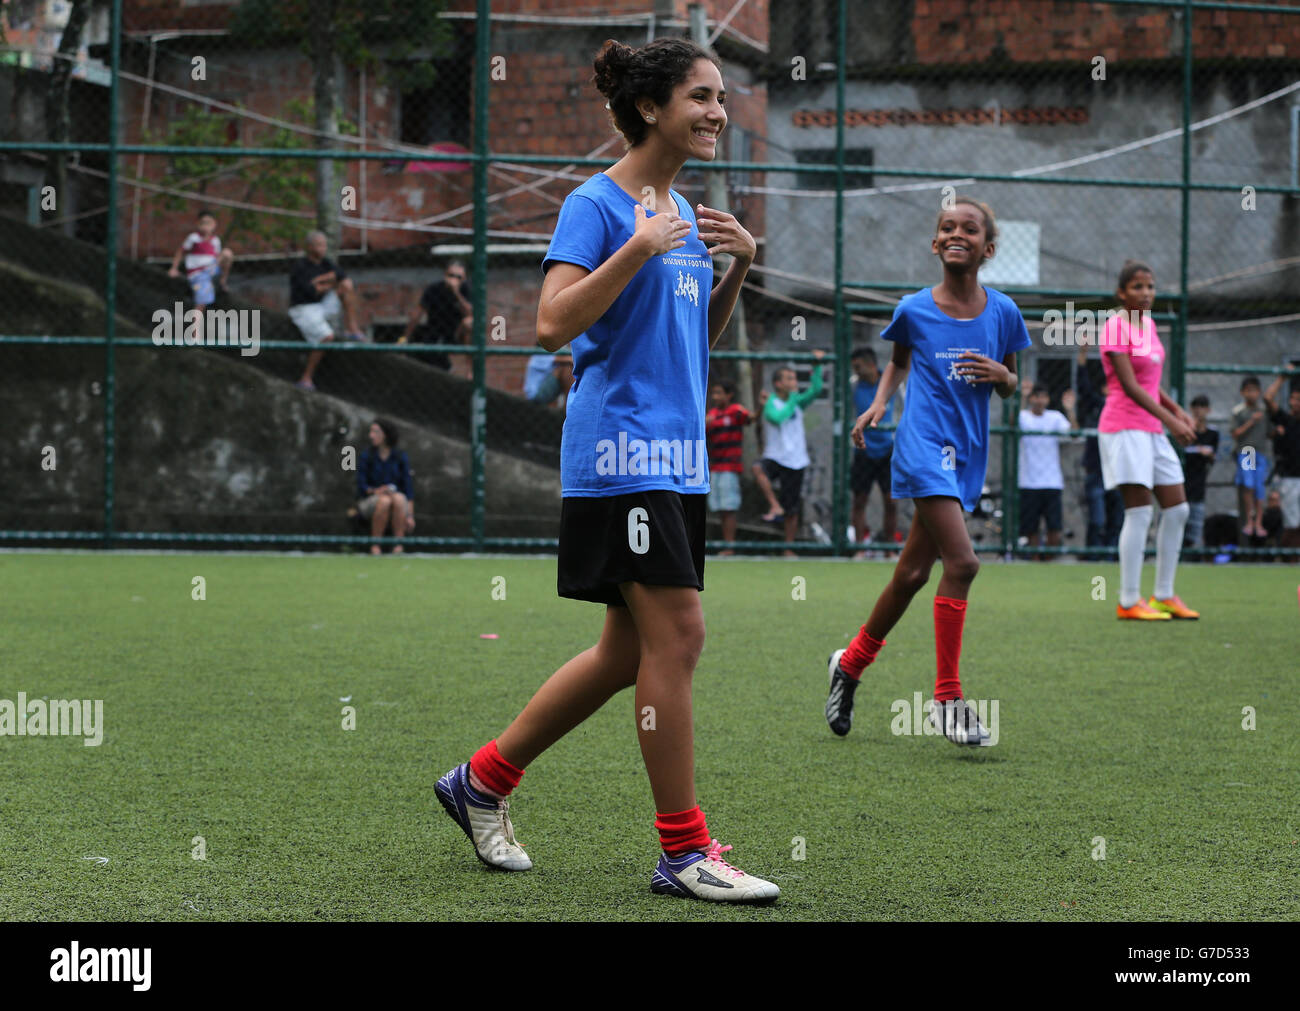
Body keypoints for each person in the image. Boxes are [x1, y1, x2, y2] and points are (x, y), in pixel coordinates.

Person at [435, 37, 778, 903]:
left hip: (676, 455)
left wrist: (736, 265)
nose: (716, 113)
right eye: (700, 97)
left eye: (721, 99)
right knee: (682, 635)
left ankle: (481, 779)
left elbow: (687, 345)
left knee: (628, 652)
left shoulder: (682, 210)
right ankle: (682, 850)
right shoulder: (598, 204)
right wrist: (639, 247)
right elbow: (551, 325)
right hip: (623, 453)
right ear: (652, 108)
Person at [823, 196, 1030, 745]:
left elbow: (1015, 382)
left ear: (988, 249)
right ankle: (947, 699)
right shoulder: (913, 308)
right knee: (963, 563)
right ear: (936, 243)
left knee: (912, 575)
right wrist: (880, 404)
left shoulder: (1004, 312)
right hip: (921, 447)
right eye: (946, 226)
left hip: (967, 454)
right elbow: (899, 359)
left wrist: (999, 376)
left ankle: (849, 665)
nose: (955, 233)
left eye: (969, 228)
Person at [1093, 260, 1198, 620]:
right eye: (1137, 287)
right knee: (1139, 513)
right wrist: (1170, 419)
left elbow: (1152, 383)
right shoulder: (1114, 327)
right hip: (1123, 427)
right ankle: (1127, 601)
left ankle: (1164, 595)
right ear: (1122, 293)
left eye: (1150, 287)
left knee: (1178, 509)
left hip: (1151, 428)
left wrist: (1176, 409)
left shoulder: (1149, 326)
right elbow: (1129, 386)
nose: (1146, 293)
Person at [752, 352, 825, 556]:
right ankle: (774, 506)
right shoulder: (771, 403)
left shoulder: (797, 402)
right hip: (775, 456)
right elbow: (778, 418)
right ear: (778, 384)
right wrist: (794, 398)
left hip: (796, 459)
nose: (794, 382)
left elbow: (816, 389)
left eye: (794, 378)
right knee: (758, 468)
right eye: (789, 379)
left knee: (792, 507)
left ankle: (788, 547)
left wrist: (816, 367)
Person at [289, 230, 367, 391]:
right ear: (309, 247)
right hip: (304, 308)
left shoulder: (326, 263)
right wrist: (329, 280)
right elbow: (311, 291)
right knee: (326, 336)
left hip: (322, 304)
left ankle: (352, 329)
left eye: (324, 245)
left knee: (346, 286)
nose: (323, 249)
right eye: (319, 245)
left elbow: (342, 277)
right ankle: (306, 378)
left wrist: (321, 281)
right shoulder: (300, 267)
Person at [849, 347, 899, 557]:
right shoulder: (853, 386)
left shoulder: (893, 384)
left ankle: (889, 550)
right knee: (860, 500)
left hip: (888, 449)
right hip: (863, 450)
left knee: (891, 501)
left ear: (871, 365)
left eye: (858, 367)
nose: (856, 371)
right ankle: (860, 548)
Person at [1075, 346, 1123, 559]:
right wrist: (1082, 357)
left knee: (1118, 517)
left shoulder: (1124, 410)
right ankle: (1093, 556)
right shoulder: (1098, 406)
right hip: (1096, 470)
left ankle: (1112, 556)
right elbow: (1083, 388)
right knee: (1098, 518)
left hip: (1119, 471)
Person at [1017, 382, 1074, 559]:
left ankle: (1049, 560)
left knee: (1054, 529)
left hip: (1052, 482)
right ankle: (1034, 561)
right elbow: (1012, 422)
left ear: (1048, 399)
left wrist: (1070, 410)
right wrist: (1022, 397)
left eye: (1043, 397)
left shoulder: (1055, 417)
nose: (1039, 400)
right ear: (1031, 398)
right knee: (1031, 529)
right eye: (1035, 396)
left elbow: (1073, 432)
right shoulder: (1023, 416)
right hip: (1028, 481)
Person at [705, 378, 755, 554]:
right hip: (715, 467)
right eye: (714, 393)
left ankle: (730, 545)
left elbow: (751, 418)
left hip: (730, 467)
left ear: (729, 395)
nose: (715, 396)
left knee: (729, 507)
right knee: (719, 508)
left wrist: (761, 407)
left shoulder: (735, 411)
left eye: (719, 393)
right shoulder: (711, 415)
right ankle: (726, 544)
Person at [399, 259, 473, 371]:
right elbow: (417, 314)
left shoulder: (466, 289)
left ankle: (470, 370)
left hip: (457, 333)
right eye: (451, 275)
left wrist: (456, 293)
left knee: (469, 322)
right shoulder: (434, 289)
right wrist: (404, 338)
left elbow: (470, 313)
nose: (454, 279)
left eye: (458, 277)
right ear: (445, 275)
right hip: (435, 331)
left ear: (464, 278)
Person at [355, 419, 414, 555]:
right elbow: (361, 487)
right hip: (371, 501)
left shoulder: (400, 456)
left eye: (375, 432)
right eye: (371, 432)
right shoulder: (366, 456)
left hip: (396, 499)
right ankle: (376, 546)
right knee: (384, 501)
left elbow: (408, 488)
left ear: (386, 434)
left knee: (398, 499)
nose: (371, 435)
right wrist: (378, 491)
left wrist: (410, 515)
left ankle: (398, 545)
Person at [167, 208, 234, 307]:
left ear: (214, 224)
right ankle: (197, 318)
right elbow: (180, 252)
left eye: (209, 223)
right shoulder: (193, 238)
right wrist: (174, 268)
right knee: (201, 301)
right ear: (198, 224)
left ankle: (222, 281)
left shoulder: (215, 240)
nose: (206, 226)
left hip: (211, 267)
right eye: (203, 223)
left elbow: (218, 257)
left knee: (227, 253)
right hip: (198, 271)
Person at [1230, 376, 1270, 539]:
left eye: (1254, 390)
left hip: (1261, 452)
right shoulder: (1239, 412)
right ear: (1242, 392)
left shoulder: (1264, 411)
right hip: (1247, 451)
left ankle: (1258, 522)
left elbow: (1270, 431)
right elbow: (1235, 434)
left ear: (1259, 392)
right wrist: (1251, 422)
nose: (1251, 394)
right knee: (1248, 485)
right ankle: (1249, 520)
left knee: (1259, 486)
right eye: (1248, 391)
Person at [1263, 372, 1300, 549]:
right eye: (1292, 398)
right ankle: (1290, 557)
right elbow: (1268, 398)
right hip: (1290, 478)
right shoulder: (1286, 420)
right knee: (1291, 523)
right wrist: (1281, 378)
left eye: (1298, 399)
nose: (1293, 403)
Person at [1182, 394, 1219, 549]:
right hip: (1182, 484)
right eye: (1195, 407)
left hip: (1199, 485)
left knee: (1194, 527)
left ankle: (1193, 556)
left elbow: (1213, 458)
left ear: (1208, 410)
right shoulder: (1184, 430)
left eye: (1202, 407)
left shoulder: (1213, 434)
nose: (1198, 411)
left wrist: (1208, 454)